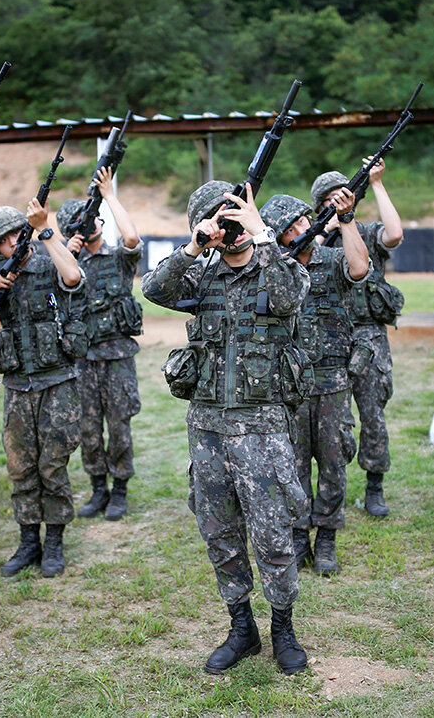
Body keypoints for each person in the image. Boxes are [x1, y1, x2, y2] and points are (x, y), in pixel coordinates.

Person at [142, 181, 311, 675]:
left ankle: (283, 626)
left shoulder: (280, 267)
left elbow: (286, 299)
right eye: (220, 218)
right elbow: (155, 289)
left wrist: (263, 236)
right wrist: (196, 244)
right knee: (219, 533)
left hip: (262, 428)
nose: (230, 225)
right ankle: (242, 627)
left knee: (274, 535)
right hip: (209, 427)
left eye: (233, 214)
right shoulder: (201, 276)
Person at [0, 199, 85, 579]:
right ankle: (28, 542)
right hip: (19, 385)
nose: (12, 243)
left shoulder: (48, 259)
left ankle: (53, 541)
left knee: (52, 464)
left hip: (57, 381)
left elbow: (73, 278)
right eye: (3, 240)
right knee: (21, 467)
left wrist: (47, 230)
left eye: (16, 234)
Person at [261, 190, 368, 576]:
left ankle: (327, 537)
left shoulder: (332, 258)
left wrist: (348, 219)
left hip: (332, 380)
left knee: (334, 461)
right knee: (292, 465)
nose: (302, 229)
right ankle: (297, 534)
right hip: (289, 386)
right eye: (290, 228)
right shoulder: (276, 268)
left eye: (303, 221)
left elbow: (359, 268)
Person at [310, 158, 403, 517]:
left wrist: (377, 184)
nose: (338, 203)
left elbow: (394, 235)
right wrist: (324, 228)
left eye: (343, 197)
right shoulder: (313, 241)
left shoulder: (363, 233)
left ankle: (375, 485)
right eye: (330, 200)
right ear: (320, 207)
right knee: (330, 422)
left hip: (368, 336)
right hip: (328, 339)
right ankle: (333, 488)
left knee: (372, 413)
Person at [58, 166, 144, 521]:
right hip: (83, 362)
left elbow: (132, 239)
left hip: (118, 357)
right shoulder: (65, 265)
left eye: (90, 218)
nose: (88, 223)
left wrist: (108, 196)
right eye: (80, 221)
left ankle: (120, 490)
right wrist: (65, 252)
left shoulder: (117, 259)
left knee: (119, 426)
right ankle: (98, 490)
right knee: (88, 430)